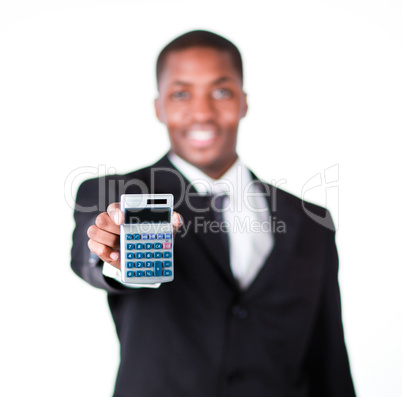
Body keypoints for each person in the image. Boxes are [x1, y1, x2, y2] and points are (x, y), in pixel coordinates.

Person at [71, 30, 356, 396]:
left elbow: (328, 357)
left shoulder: (310, 221)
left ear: (243, 102)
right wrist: (115, 257)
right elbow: (90, 253)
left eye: (221, 92)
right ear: (159, 107)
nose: (203, 112)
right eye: (181, 93)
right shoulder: (116, 194)